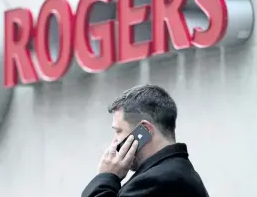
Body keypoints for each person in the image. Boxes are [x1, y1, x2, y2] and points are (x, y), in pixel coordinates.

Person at [81, 84, 209, 197]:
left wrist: (106, 177)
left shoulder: (156, 181)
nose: (114, 142)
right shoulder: (178, 172)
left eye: (118, 131)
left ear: (144, 130)